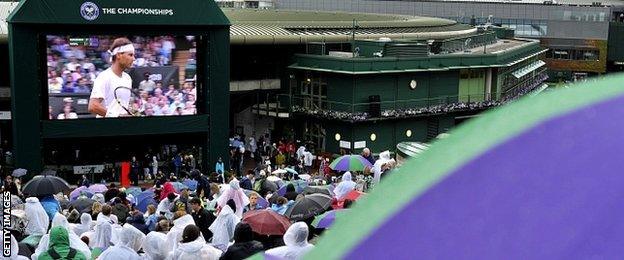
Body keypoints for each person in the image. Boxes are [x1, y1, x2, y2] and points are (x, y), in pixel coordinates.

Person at [88, 37, 135, 118]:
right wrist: (117, 116)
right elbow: (93, 106)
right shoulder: (104, 77)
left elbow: (121, 105)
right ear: (119, 55)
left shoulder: (127, 78)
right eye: (130, 55)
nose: (133, 59)